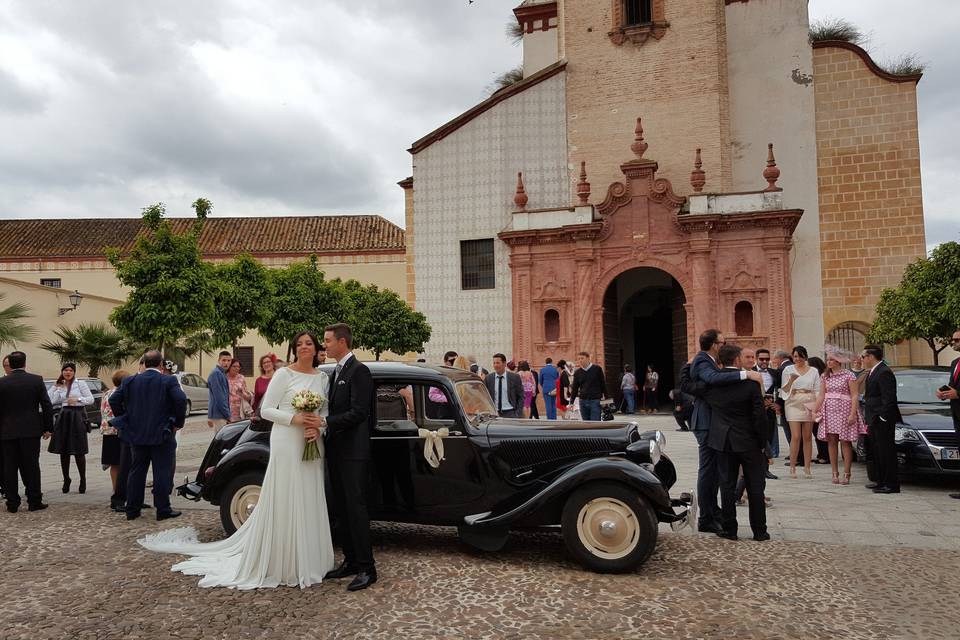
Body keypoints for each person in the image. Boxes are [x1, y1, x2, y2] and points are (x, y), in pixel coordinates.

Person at [140, 332, 336, 589]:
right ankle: (285, 560)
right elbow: (266, 409)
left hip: (311, 441)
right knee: (288, 492)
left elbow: (324, 410)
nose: (304, 347)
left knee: (309, 493)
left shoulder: (322, 378)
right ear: (293, 349)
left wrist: (317, 427)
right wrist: (295, 420)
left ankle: (312, 558)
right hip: (287, 439)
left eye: (308, 343)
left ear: (316, 347)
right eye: (299, 344)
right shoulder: (284, 375)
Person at [682, 330, 763, 534]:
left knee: (716, 472)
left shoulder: (703, 360)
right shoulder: (703, 360)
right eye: (722, 342)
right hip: (708, 422)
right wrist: (746, 374)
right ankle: (707, 517)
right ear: (714, 345)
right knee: (709, 471)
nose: (724, 345)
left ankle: (713, 512)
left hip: (715, 421)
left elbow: (694, 382)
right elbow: (712, 378)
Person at [318, 323, 377, 591]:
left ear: (342, 342)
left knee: (356, 509)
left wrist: (325, 422)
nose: (325, 345)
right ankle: (351, 560)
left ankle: (367, 567)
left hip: (353, 453)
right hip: (337, 451)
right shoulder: (336, 372)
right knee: (341, 509)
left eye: (328, 340)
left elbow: (359, 412)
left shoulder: (359, 371)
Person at [696, 345, 769, 542]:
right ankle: (760, 531)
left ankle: (730, 529)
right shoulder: (750, 383)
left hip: (723, 441)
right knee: (755, 486)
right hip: (749, 441)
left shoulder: (712, 385)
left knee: (726, 486)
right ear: (737, 359)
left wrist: (691, 365)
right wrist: (763, 442)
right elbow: (759, 416)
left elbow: (689, 385)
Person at [109, 350, 187, 521]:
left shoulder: (130, 380)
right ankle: (162, 509)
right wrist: (177, 423)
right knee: (161, 471)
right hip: (162, 433)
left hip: (136, 433)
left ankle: (132, 509)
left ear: (144, 363)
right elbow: (181, 400)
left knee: (136, 471)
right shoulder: (168, 380)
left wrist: (125, 418)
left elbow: (113, 400)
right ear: (160, 364)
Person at [0, 351, 53, 513]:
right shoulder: (35, 380)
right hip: (30, 430)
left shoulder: (2, 382)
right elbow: (46, 405)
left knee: (9, 467)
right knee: (31, 466)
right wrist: (48, 427)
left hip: (7, 431)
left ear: (10, 364)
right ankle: (34, 500)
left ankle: (12, 502)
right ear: (24, 363)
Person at [814, 347, 866, 486]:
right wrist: (815, 409)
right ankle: (834, 472)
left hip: (844, 409)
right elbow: (821, 395)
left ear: (839, 361)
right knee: (831, 440)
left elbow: (854, 395)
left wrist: (853, 413)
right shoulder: (825, 376)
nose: (829, 361)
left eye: (832, 359)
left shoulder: (848, 375)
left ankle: (847, 473)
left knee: (845, 441)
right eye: (828, 359)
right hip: (829, 410)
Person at [861, 345, 902, 494]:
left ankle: (891, 484)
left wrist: (883, 417)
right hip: (873, 417)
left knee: (886, 451)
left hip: (881, 418)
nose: (862, 360)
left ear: (871, 357)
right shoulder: (873, 371)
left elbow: (889, 398)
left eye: (863, 357)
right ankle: (880, 480)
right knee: (877, 451)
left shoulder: (884, 372)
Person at [48, 363, 94, 494]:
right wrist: (55, 387)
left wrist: (77, 399)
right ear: (62, 371)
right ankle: (66, 478)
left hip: (77, 415)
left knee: (79, 450)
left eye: (70, 370)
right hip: (64, 416)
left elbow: (90, 399)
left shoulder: (80, 384)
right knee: (63, 450)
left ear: (74, 372)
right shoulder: (61, 384)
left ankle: (83, 479)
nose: (68, 372)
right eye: (65, 370)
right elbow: (51, 400)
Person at [780, 346, 820, 479]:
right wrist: (791, 380)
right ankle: (792, 466)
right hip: (793, 402)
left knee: (807, 436)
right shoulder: (788, 369)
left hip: (809, 401)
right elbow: (784, 390)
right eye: (795, 356)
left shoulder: (813, 370)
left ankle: (807, 467)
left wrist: (817, 406)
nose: (798, 359)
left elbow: (817, 389)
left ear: (805, 357)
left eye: (800, 356)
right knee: (796, 436)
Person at [100, 370, 129, 511]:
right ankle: (120, 493)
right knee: (122, 464)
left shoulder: (107, 393)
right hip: (117, 431)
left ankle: (116, 490)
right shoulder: (123, 394)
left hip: (107, 431)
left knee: (114, 463)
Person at [936, 330, 960, 499]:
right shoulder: (955, 362)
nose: (954, 342)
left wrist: (958, 394)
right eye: (953, 339)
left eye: (957, 339)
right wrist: (944, 393)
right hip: (956, 414)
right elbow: (953, 385)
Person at [754, 348, 780, 468]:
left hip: (770, 409)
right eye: (761, 359)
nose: (764, 361)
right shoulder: (750, 371)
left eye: (767, 359)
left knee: (769, 432)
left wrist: (777, 403)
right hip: (755, 408)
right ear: (756, 359)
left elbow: (779, 389)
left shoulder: (774, 372)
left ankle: (767, 462)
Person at [807, 356, 831, 465]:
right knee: (820, 432)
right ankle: (823, 454)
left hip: (819, 406)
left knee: (819, 431)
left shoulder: (820, 377)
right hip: (821, 405)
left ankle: (824, 455)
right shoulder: (824, 375)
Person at [485, 354, 524, 418]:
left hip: (511, 413)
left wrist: (518, 414)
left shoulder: (514, 377)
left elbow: (521, 396)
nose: (495, 365)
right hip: (494, 414)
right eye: (494, 363)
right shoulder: (489, 378)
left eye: (498, 363)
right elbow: (485, 397)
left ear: (504, 364)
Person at [570, 351, 606, 421]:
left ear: (588, 358)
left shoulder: (597, 369)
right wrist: (571, 402)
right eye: (579, 359)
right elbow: (575, 388)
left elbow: (603, 384)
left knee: (595, 422)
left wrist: (607, 401)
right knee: (586, 423)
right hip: (583, 401)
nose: (580, 360)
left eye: (582, 358)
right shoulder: (577, 372)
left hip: (595, 400)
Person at [207, 351, 231, 432]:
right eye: (224, 360)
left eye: (228, 361)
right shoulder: (216, 374)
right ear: (219, 360)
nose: (226, 363)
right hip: (219, 415)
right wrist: (228, 415)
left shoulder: (221, 373)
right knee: (222, 442)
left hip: (220, 415)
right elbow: (219, 398)